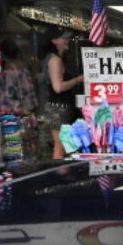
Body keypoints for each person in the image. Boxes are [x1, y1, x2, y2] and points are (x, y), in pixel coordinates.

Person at [40, 28, 84, 160]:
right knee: (61, 147)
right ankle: (57, 175)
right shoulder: (55, 60)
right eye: (63, 37)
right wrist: (79, 79)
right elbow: (58, 87)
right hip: (59, 109)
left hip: (60, 108)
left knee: (67, 146)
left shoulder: (55, 59)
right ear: (54, 41)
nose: (67, 40)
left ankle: (64, 173)